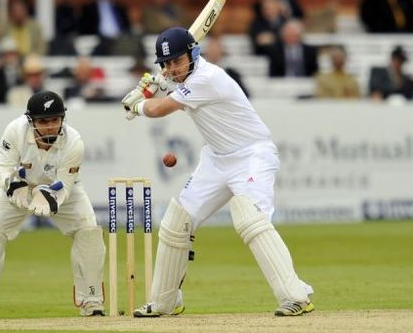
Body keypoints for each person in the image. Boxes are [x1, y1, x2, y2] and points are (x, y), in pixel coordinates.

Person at [121, 26, 314, 318]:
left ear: (193, 54)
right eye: (167, 63)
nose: (173, 68)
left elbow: (160, 109)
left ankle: (295, 296)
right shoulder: (182, 79)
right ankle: (165, 302)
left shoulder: (207, 78)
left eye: (177, 60)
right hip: (216, 159)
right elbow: (167, 91)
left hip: (251, 155)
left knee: (250, 218)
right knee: (177, 221)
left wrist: (137, 104)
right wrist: (153, 87)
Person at [0, 90, 106, 320]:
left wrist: (49, 197)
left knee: (88, 230)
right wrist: (11, 183)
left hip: (58, 190)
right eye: (43, 121)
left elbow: (66, 186)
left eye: (55, 120)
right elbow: (1, 168)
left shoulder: (74, 142)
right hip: (20, 189)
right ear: (31, 121)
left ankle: (91, 298)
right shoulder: (15, 131)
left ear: (63, 119)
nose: (50, 126)